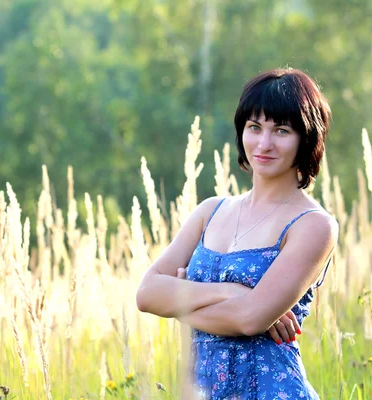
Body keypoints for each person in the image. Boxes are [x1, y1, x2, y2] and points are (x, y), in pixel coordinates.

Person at [136, 67, 337, 399]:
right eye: (254, 127)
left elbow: (250, 319)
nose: (264, 143)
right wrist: (233, 292)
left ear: (307, 139)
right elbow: (147, 295)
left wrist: (179, 301)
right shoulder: (210, 212)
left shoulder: (313, 225)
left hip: (272, 391)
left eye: (282, 130)